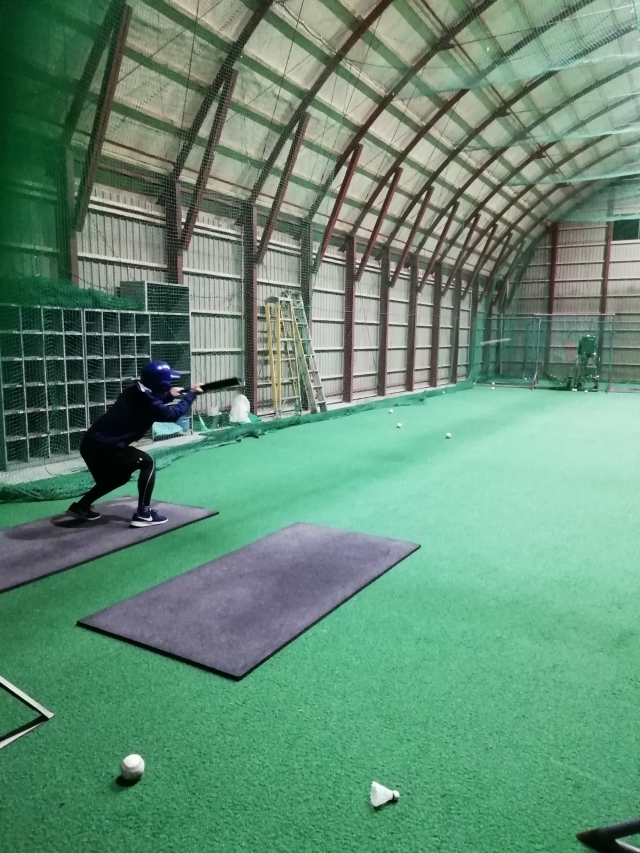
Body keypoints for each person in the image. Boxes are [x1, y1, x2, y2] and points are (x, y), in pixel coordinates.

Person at [67, 361, 202, 527]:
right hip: (108, 447)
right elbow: (173, 413)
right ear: (161, 385)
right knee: (148, 462)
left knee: (117, 478)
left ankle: (81, 507)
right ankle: (143, 514)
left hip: (90, 445)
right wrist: (191, 395)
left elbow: (149, 404)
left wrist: (169, 396)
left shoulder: (133, 391)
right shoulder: (151, 404)